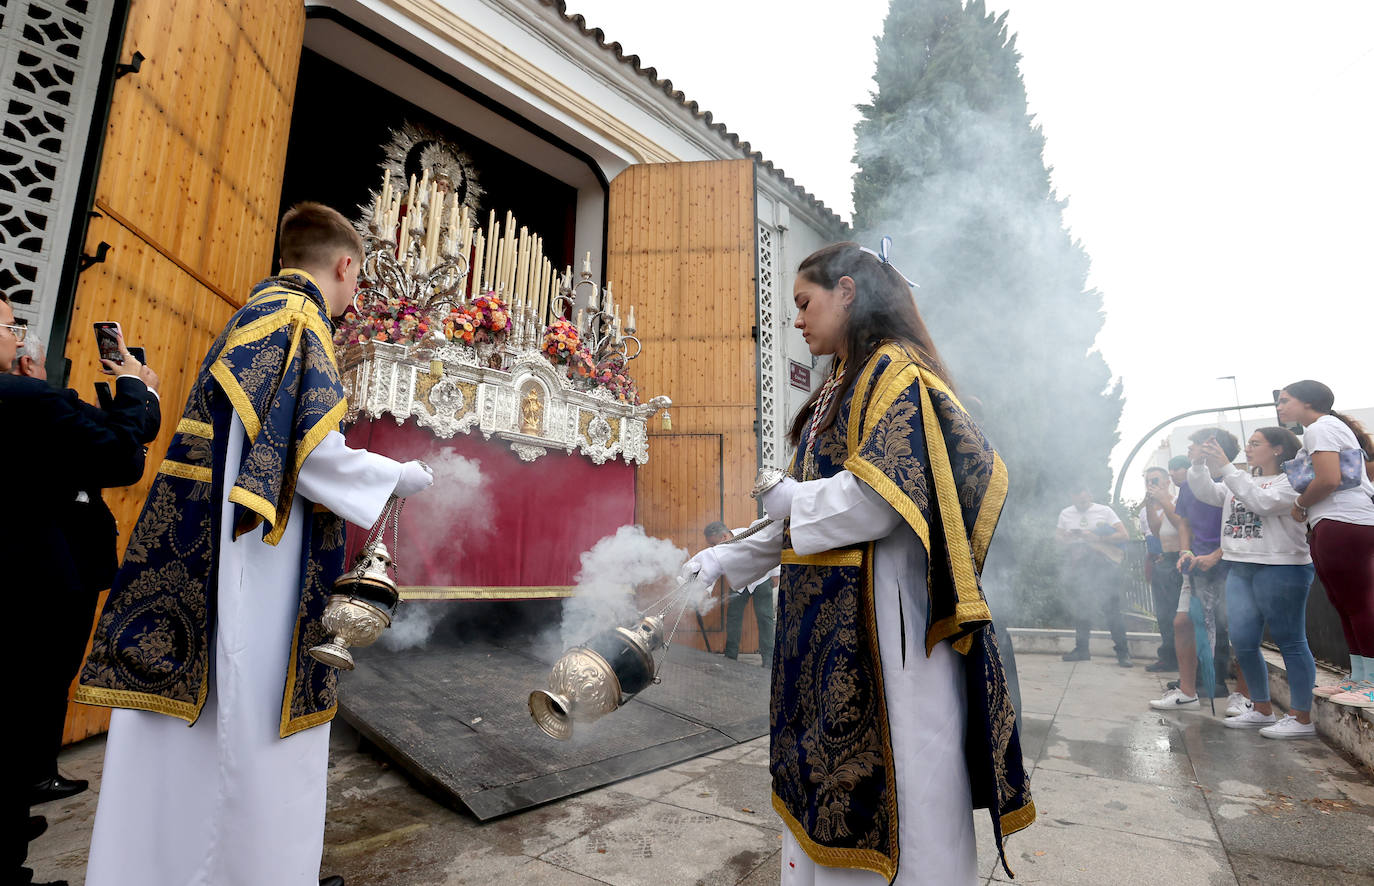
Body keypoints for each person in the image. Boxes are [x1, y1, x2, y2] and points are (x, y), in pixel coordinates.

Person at [76, 203, 436, 886]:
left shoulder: (254, 316)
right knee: (253, 719)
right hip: (258, 563)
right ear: (346, 265)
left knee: (204, 729)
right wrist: (397, 478)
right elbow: (315, 454)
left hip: (216, 544)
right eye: (358, 281)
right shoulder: (299, 321)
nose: (355, 297)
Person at [681, 241, 1032, 885]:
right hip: (822, 630)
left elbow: (880, 500)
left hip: (887, 627)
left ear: (847, 291)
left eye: (804, 303)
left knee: (899, 778)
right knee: (819, 774)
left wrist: (800, 498)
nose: (797, 319)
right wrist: (727, 557)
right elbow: (794, 518)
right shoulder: (832, 391)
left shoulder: (898, 372)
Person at [0, 294, 155, 886]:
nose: (19, 337)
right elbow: (121, 453)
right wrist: (138, 387)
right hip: (27, 582)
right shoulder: (25, 398)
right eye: (11, 326)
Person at [1187, 428, 1318, 738]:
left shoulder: (1292, 481)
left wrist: (1227, 467)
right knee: (1244, 642)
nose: (1247, 449)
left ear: (1277, 449)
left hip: (1281, 566)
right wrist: (1199, 464)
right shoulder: (1241, 480)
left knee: (1291, 641)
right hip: (1241, 567)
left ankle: (1302, 719)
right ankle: (1261, 709)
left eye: (1255, 444)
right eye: (1248, 443)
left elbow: (1261, 502)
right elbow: (1208, 493)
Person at [1277, 380, 1374, 707]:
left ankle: (1372, 681)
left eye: (1285, 401)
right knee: (1344, 603)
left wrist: (1301, 503)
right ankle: (1359, 677)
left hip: (1344, 521)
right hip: (1335, 522)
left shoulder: (1321, 428)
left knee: (1357, 602)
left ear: (1307, 403)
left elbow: (1329, 478)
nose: (1280, 407)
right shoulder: (1324, 428)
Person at [1151, 428, 1246, 712]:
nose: (1190, 449)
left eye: (1195, 445)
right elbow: (1185, 523)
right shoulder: (1192, 483)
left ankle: (1243, 695)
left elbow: (1241, 527)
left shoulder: (1236, 480)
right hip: (1197, 566)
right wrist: (1186, 551)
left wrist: (1218, 554)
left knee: (1240, 630)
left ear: (1214, 448)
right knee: (1182, 623)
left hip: (1230, 565)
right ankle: (1188, 692)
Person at [1056, 484, 1132, 667]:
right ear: (1072, 496)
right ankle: (1082, 649)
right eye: (1079, 497)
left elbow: (1124, 535)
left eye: (1086, 497)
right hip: (1079, 565)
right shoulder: (1065, 513)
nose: (1083, 500)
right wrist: (1067, 537)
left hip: (1103, 565)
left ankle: (1123, 653)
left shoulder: (1104, 511)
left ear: (1090, 495)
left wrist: (1097, 538)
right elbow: (1057, 539)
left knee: (1111, 608)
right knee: (1081, 607)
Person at [703, 521, 778, 665]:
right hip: (739, 584)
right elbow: (711, 568)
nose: (712, 548)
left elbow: (771, 550)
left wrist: (776, 573)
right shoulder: (718, 550)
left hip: (760, 580)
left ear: (724, 537)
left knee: (765, 618)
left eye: (713, 544)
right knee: (733, 618)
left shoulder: (749, 534)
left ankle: (768, 659)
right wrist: (706, 590)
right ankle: (731, 657)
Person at [1141, 461, 1187, 671]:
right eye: (1148, 482)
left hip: (1179, 560)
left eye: (1155, 481)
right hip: (1161, 561)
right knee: (1164, 613)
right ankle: (1168, 658)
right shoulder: (1148, 507)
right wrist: (1151, 504)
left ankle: (1184, 661)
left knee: (1180, 616)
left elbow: (1179, 523)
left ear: (1167, 482)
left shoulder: (1178, 500)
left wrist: (1162, 499)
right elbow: (1156, 530)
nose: (1151, 485)